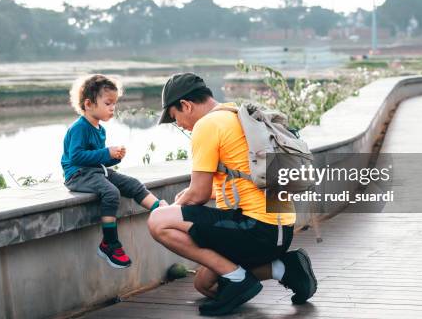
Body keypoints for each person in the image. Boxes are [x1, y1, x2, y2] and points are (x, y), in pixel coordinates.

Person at [147, 73, 316, 316]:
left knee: (158, 221)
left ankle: (239, 279)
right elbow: (242, 179)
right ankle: (285, 268)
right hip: (280, 230)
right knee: (205, 284)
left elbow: (198, 195)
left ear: (186, 105)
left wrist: (171, 210)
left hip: (257, 230)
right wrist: (189, 199)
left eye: (176, 119)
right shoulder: (237, 115)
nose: (180, 125)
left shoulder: (207, 125)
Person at [61, 74, 167, 269]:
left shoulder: (99, 129)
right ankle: (109, 243)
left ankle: (161, 210)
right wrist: (105, 152)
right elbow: (76, 157)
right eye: (108, 103)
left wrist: (113, 158)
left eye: (114, 104)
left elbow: (97, 158)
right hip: (78, 175)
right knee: (111, 192)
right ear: (89, 104)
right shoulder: (79, 128)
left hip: (96, 172)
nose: (113, 108)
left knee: (133, 184)